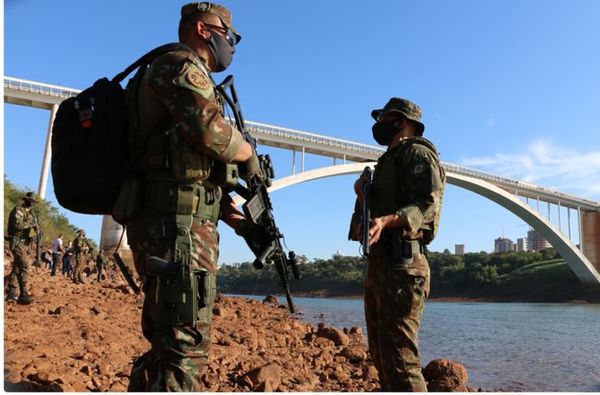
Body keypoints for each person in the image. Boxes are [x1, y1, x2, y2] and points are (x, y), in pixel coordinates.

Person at [123, 2, 261, 391]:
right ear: (204, 30)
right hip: (176, 228)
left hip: (174, 222)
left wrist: (224, 208)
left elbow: (184, 164)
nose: (231, 44)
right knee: (184, 348)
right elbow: (208, 131)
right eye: (228, 35)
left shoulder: (173, 70)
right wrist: (248, 154)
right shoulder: (179, 67)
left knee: (169, 342)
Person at [351, 98, 446, 391]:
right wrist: (362, 196)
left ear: (401, 121)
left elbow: (427, 204)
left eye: (383, 118)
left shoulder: (418, 154)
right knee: (381, 356)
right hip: (380, 264)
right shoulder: (387, 161)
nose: (378, 125)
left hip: (404, 267)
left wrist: (388, 220)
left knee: (401, 361)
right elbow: (370, 219)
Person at [5, 192, 39, 304]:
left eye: (33, 202)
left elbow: (35, 228)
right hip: (17, 241)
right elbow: (18, 225)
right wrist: (32, 224)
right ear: (26, 200)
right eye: (30, 201)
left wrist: (37, 233)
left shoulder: (33, 213)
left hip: (26, 243)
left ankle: (11, 292)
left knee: (17, 266)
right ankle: (23, 294)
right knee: (25, 265)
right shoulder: (18, 209)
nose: (31, 203)